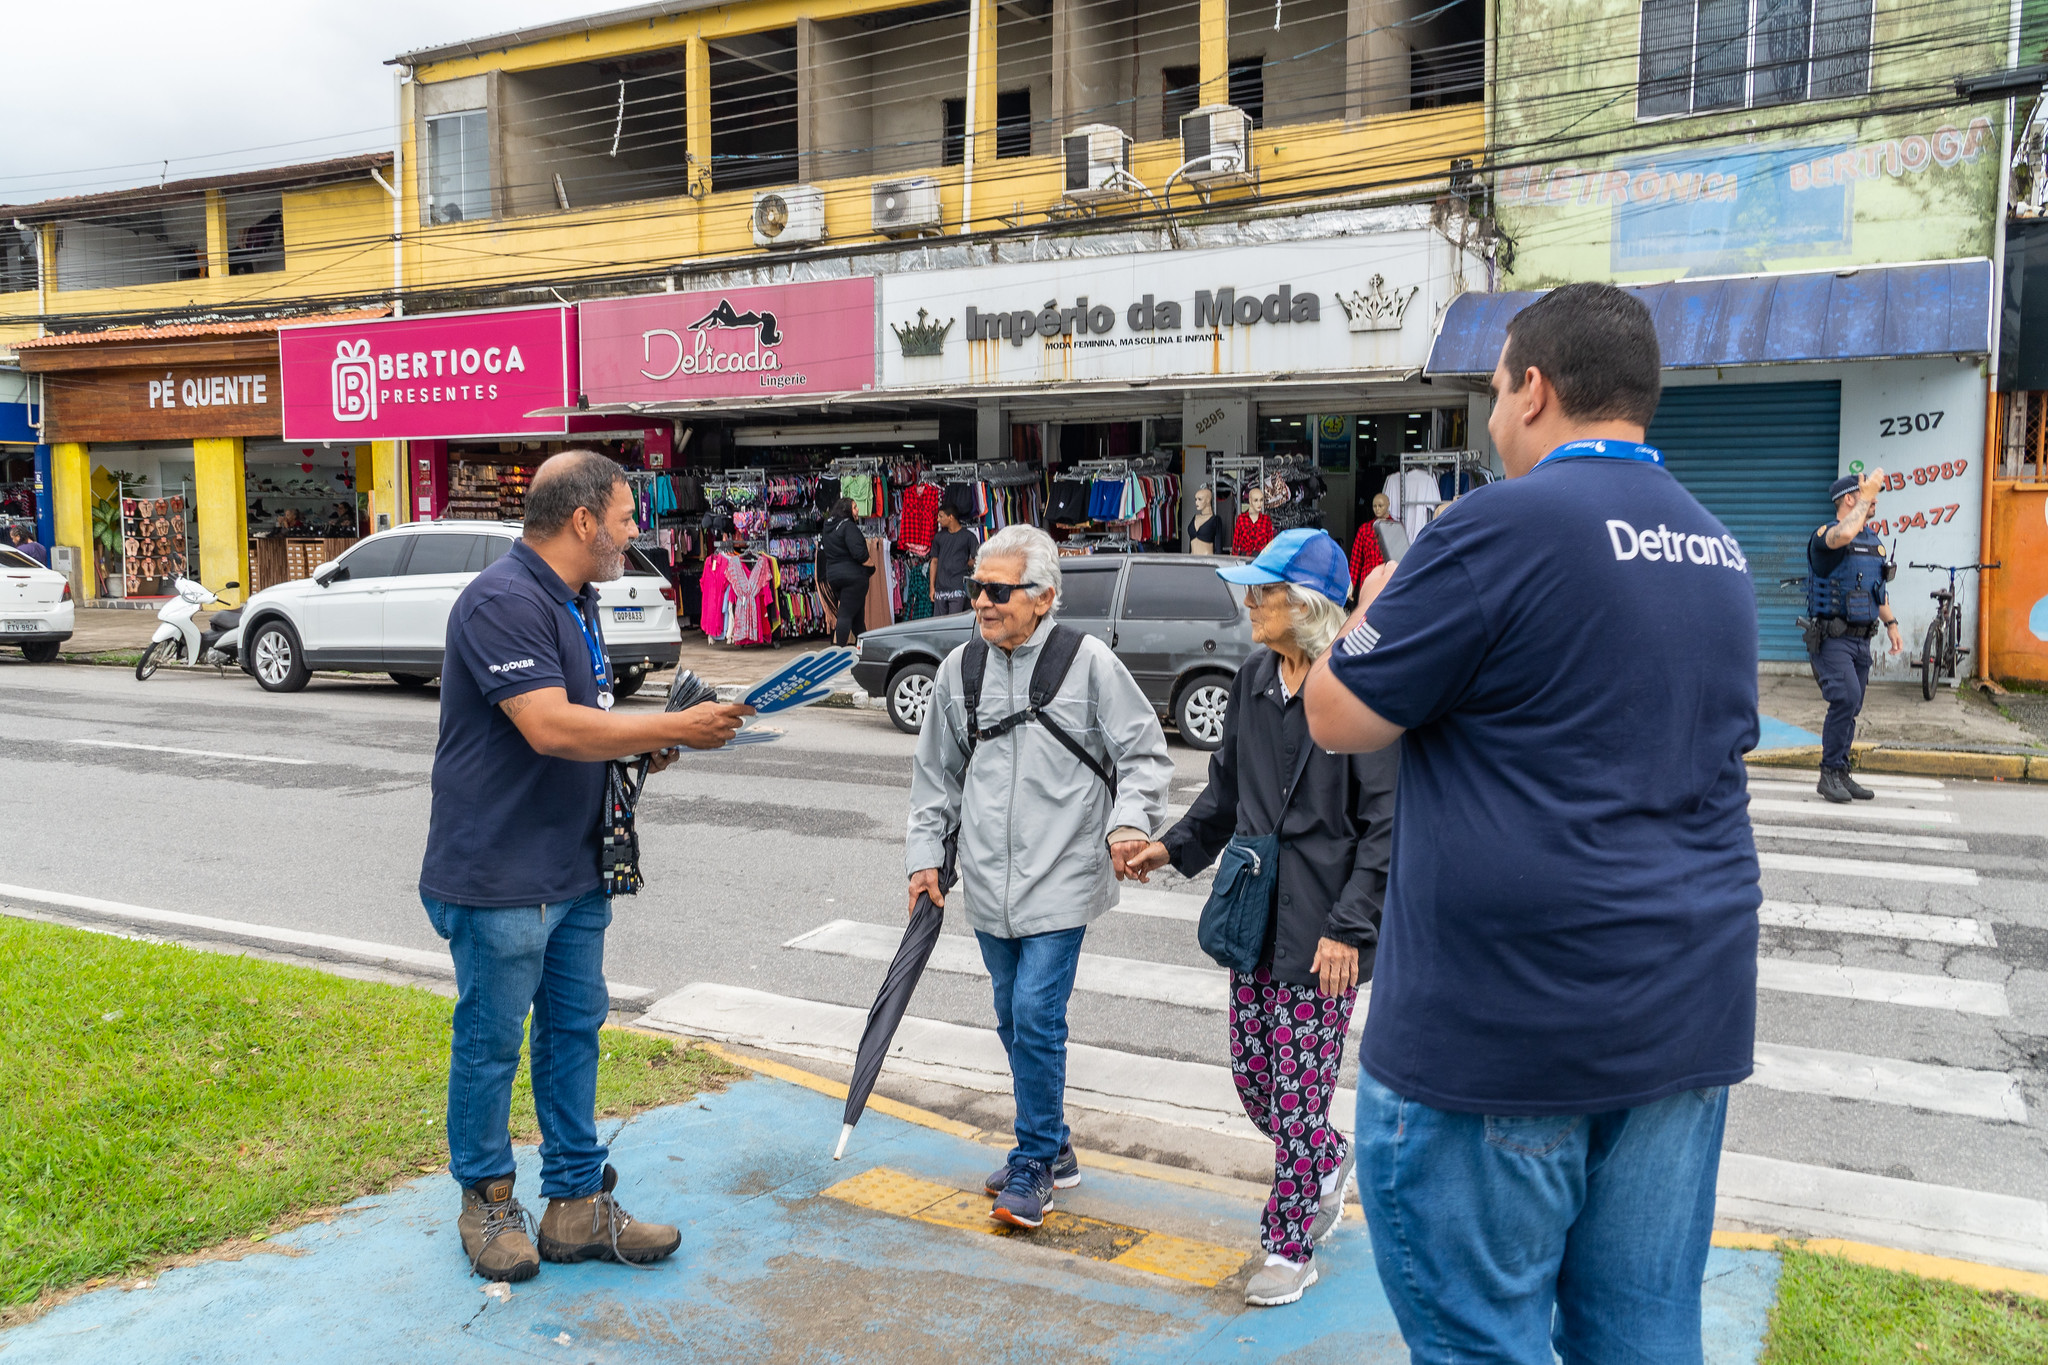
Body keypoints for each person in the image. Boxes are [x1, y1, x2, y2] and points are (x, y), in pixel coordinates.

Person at [1302, 283, 1761, 1364]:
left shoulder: (1489, 529)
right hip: (1681, 1016)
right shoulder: (1717, 548)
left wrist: (1385, 589)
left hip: (1502, 1035)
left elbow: (1334, 714)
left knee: (1480, 1342)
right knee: (1642, 1333)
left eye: (1497, 389)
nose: (1494, 412)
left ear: (1535, 389)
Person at [418, 450, 754, 1283]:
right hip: (498, 873)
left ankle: (574, 1203)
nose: (633, 530)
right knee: (492, 1041)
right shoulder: (501, 599)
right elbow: (549, 727)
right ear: (582, 521)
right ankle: (489, 1201)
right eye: (626, 515)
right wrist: (667, 730)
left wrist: (648, 746)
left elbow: (591, 725)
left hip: (575, 866)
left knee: (573, 1033)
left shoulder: (578, 600)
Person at [1124, 528, 1397, 1309]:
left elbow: (1386, 822)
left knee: (1300, 1094)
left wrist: (1352, 924)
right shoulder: (1251, 678)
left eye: (1263, 590)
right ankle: (1326, 1157)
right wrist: (1168, 851)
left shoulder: (1358, 687)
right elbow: (1222, 796)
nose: (1248, 601)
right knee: (1258, 1084)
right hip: (1254, 914)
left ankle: (1288, 1244)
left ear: (1304, 606)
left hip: (1325, 929)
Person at [904, 524, 1172, 1230]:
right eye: (976, 589)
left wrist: (1129, 823)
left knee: (1035, 1014)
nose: (983, 603)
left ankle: (1032, 1163)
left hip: (1064, 876)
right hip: (989, 883)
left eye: (999, 590)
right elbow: (936, 775)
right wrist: (924, 856)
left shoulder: (1088, 664)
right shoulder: (959, 670)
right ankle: (1055, 1143)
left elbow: (1145, 752)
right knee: (1007, 1014)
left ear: (1045, 596)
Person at [1805, 470, 1903, 803]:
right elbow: (1843, 535)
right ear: (1851, 498)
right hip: (1832, 638)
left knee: (1853, 705)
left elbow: (1877, 590)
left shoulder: (1873, 540)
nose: (1875, 500)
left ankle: (1842, 772)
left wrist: (1891, 624)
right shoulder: (1827, 535)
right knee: (1844, 698)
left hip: (1863, 639)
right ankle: (1828, 772)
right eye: (1869, 495)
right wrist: (1866, 495)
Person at [817, 496, 873, 645]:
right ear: (847, 511)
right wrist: (871, 565)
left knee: (857, 618)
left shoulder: (828, 527)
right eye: (854, 507)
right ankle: (839, 652)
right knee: (846, 615)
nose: (857, 510)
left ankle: (865, 650)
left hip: (834, 576)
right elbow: (859, 553)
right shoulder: (848, 526)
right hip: (853, 577)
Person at [927, 505, 978, 615]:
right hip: (940, 589)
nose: (938, 519)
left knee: (955, 624)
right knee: (940, 625)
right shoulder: (938, 537)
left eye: (941, 516)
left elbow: (978, 559)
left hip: (958, 588)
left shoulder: (969, 536)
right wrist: (932, 587)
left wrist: (965, 564)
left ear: (951, 517)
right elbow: (934, 562)